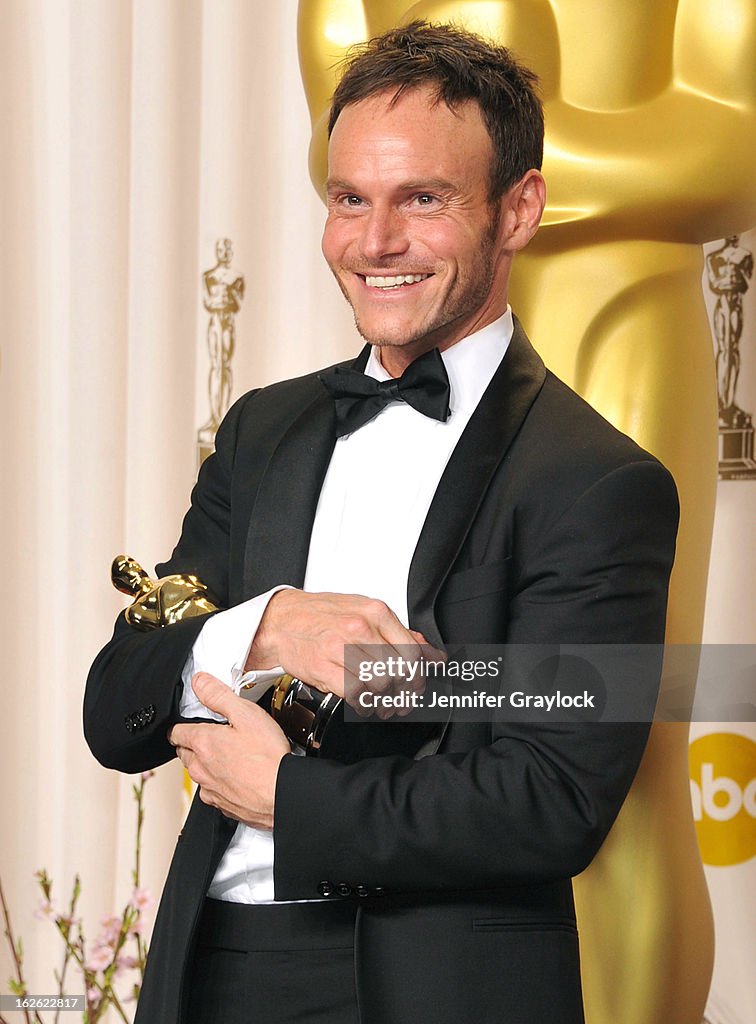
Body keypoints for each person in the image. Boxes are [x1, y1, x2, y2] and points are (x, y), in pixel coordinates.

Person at [84, 22, 679, 1024]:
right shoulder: (262, 430)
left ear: (519, 208)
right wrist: (268, 625)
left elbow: (553, 798)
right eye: (349, 198)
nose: (374, 242)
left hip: (438, 987)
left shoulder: (597, 483)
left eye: (424, 200)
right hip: (213, 968)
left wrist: (295, 800)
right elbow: (118, 709)